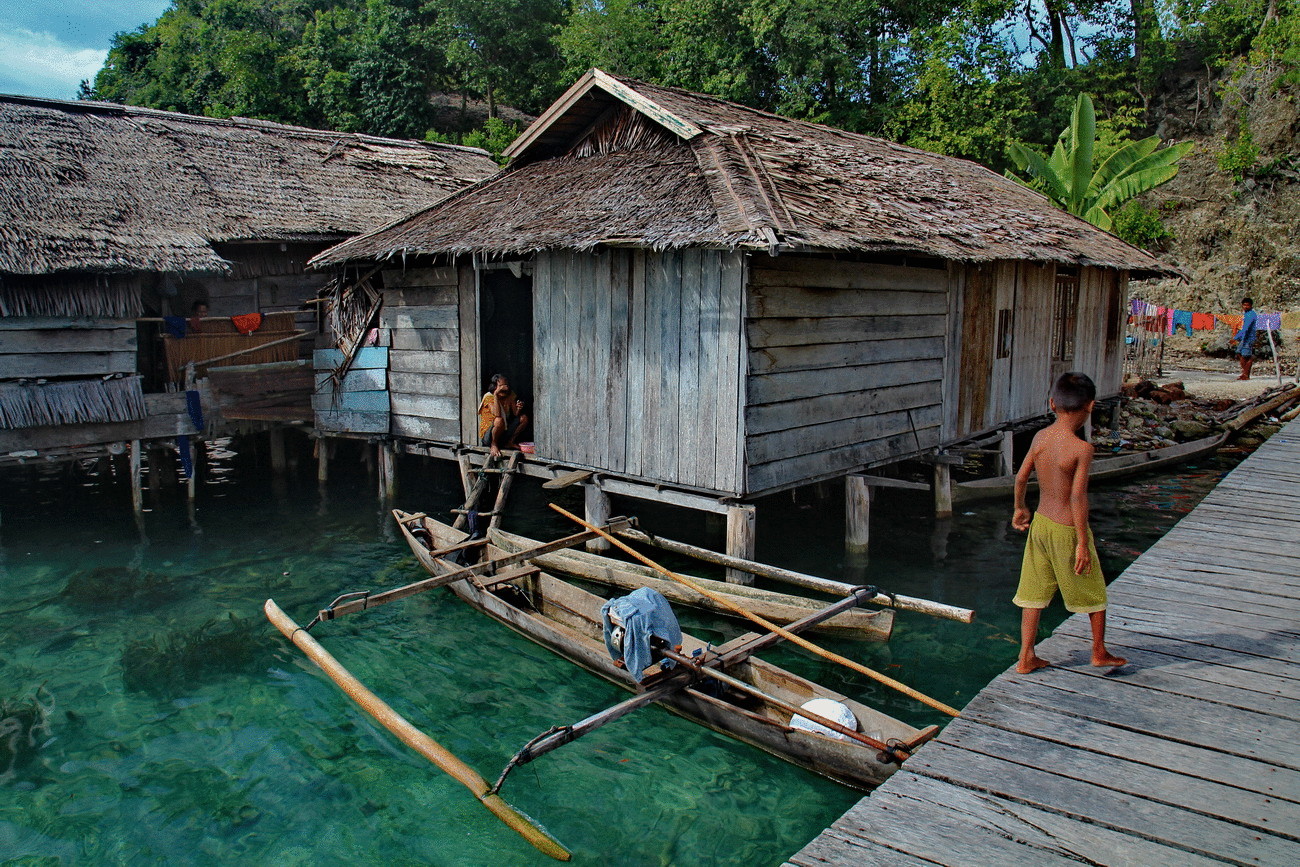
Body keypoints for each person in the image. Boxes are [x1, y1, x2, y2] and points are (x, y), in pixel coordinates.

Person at [1011, 372, 1126, 674]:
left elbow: (1021, 477)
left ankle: (1025, 657)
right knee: (1094, 591)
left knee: (1033, 593)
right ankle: (1099, 651)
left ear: (1052, 403)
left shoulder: (1040, 438)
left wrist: (1020, 508)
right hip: (1066, 528)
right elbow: (1077, 498)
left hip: (1040, 525)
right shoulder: (1082, 449)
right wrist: (1083, 544)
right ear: (1091, 405)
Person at [477, 374, 529, 459]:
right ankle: (494, 445)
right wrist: (496, 395)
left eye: (506, 385)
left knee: (523, 418)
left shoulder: (510, 395)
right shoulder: (489, 397)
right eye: (501, 386)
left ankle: (510, 442)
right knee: (499, 420)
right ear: (495, 386)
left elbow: (516, 413)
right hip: (489, 436)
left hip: (503, 431)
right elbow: (497, 414)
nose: (504, 388)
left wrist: (519, 408)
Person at [1229, 296, 1258, 380]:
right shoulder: (1246, 314)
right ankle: (1244, 373)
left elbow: (1246, 328)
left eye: (1247, 305)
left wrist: (1236, 337)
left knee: (1246, 356)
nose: (1245, 307)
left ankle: (1246, 374)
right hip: (1245, 337)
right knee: (1239, 353)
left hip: (1249, 338)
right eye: (1244, 305)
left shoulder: (1251, 315)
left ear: (1251, 306)